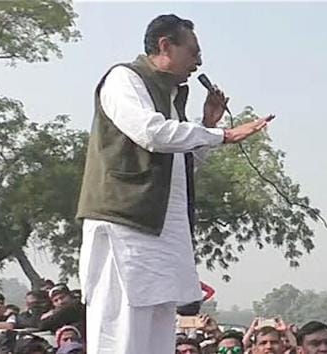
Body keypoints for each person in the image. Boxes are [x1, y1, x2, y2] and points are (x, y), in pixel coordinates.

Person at [76, 14, 274, 354]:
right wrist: (222, 134)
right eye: (193, 52)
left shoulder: (170, 98)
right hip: (126, 227)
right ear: (166, 46)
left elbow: (180, 164)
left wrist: (207, 123)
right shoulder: (124, 79)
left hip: (163, 234)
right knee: (121, 334)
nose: (199, 62)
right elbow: (151, 133)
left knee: (157, 336)